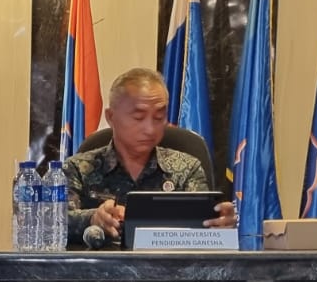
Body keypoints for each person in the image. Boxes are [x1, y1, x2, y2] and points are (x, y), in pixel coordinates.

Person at [64, 67, 236, 248]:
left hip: (168, 265)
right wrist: (92, 218)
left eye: (159, 117)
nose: (150, 129)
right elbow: (52, 222)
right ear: (111, 117)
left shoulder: (187, 168)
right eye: (139, 117)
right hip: (100, 265)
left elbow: (203, 227)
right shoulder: (78, 168)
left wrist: (219, 224)